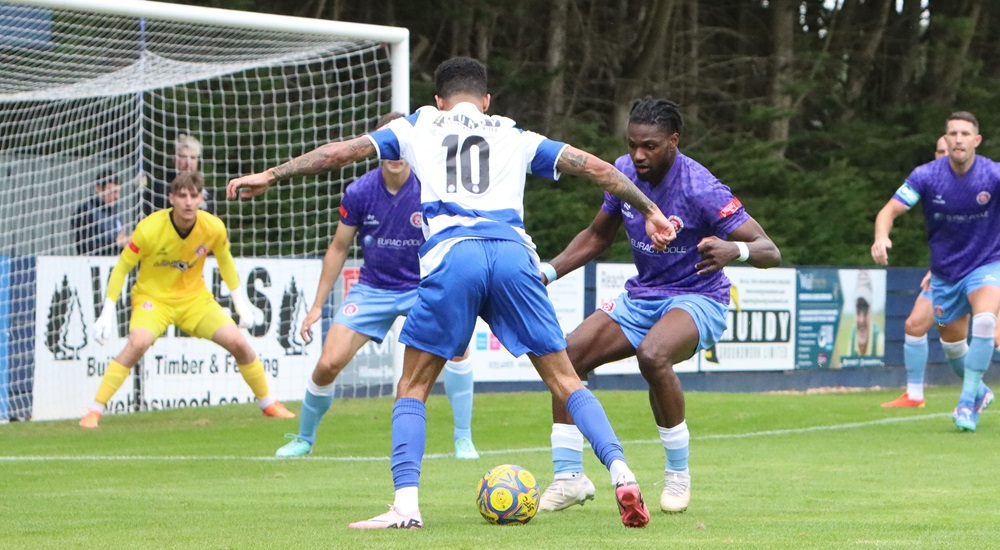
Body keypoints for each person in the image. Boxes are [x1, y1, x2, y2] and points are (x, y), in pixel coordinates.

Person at [228, 57, 677, 529]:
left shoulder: (418, 124)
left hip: (454, 256)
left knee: (413, 387)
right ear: (486, 100)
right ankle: (621, 472)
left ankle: (406, 506)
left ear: (439, 99)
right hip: (512, 256)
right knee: (566, 380)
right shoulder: (514, 134)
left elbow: (340, 153)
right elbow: (597, 168)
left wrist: (273, 175)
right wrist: (649, 209)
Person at [534, 97, 781, 516]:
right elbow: (597, 236)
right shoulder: (624, 172)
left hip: (699, 298)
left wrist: (733, 249)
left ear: (673, 141)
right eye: (632, 144)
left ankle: (677, 474)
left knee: (654, 354)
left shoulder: (700, 187)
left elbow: (769, 249)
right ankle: (569, 477)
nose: (638, 155)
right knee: (567, 356)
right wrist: (548, 272)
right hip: (642, 296)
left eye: (648, 145)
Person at [274, 112, 480, 461]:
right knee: (327, 363)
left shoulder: (431, 187)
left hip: (422, 288)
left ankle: (464, 438)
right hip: (373, 289)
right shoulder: (360, 191)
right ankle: (304, 438)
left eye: (401, 146)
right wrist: (315, 308)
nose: (395, 153)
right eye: (389, 144)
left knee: (458, 348)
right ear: (378, 147)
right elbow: (338, 249)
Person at [81, 171, 295, 428]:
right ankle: (94, 410)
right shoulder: (148, 228)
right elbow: (122, 267)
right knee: (138, 343)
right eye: (182, 196)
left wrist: (241, 304)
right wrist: (107, 311)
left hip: (195, 300)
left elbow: (226, 262)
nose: (188, 202)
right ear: (171, 198)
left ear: (201, 199)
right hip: (153, 299)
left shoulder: (213, 227)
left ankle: (268, 403)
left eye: (194, 196)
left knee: (238, 342)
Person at [872, 111, 1000, 432]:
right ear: (945, 138)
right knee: (952, 343)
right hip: (945, 273)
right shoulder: (927, 176)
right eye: (953, 133)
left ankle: (966, 402)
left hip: (986, 265)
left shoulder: (993, 175)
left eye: (965, 133)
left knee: (985, 321)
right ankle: (979, 392)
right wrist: (881, 236)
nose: (958, 139)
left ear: (977, 140)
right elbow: (889, 210)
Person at [144, 134, 212, 215]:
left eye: (193, 158)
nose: (188, 163)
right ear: (174, 159)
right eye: (183, 157)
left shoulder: (205, 192)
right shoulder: (160, 188)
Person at [72, 171, 129, 256]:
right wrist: (116, 242)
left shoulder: (115, 211)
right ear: (98, 189)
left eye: (118, 192)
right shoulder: (85, 211)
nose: (117, 196)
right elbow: (86, 246)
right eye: (112, 191)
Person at [842, 270, 883, 358]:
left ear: (871, 312)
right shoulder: (853, 336)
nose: (861, 320)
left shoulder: (880, 341)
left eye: (865, 309)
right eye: (858, 309)